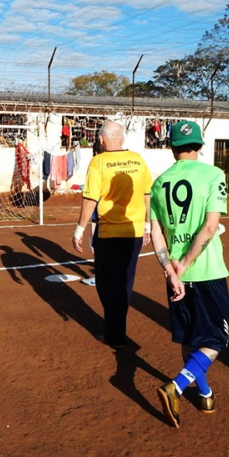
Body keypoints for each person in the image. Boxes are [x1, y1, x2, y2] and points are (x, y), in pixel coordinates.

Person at [149, 120, 229, 427]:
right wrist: (186, 262)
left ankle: (205, 393)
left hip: (175, 278)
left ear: (171, 147)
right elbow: (210, 227)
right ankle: (177, 387)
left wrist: (170, 268)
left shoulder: (159, 183)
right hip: (207, 272)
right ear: (200, 145)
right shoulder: (213, 174)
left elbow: (155, 233)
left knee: (189, 337)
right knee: (214, 340)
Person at [71, 120, 152, 348]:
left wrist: (79, 229)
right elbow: (148, 194)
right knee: (125, 280)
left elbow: (90, 199)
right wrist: (147, 224)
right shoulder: (138, 159)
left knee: (106, 283)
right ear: (122, 138)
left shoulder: (99, 162)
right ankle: (117, 328)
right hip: (134, 232)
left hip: (108, 233)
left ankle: (114, 331)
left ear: (100, 139)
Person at [81, 136, 104, 287]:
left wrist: (79, 229)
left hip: (98, 216)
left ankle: (99, 277)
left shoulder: (96, 165)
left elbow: (91, 198)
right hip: (111, 216)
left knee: (97, 248)